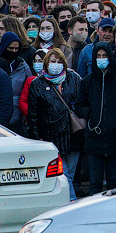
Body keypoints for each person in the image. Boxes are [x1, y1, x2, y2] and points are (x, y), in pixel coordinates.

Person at [76, 43, 116, 194]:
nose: (101, 59)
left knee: (114, 182)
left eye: (104, 56)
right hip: (94, 138)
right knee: (94, 182)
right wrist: (90, 114)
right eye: (98, 56)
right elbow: (78, 105)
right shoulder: (87, 81)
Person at [26, 50, 83, 200]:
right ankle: (72, 203)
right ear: (46, 63)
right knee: (63, 175)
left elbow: (82, 103)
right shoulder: (37, 84)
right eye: (52, 61)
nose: (56, 66)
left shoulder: (74, 79)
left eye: (59, 62)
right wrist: (38, 138)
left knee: (69, 174)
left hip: (73, 135)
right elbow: (33, 115)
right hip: (51, 136)